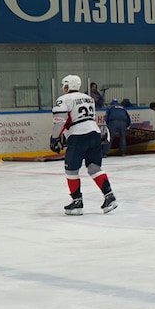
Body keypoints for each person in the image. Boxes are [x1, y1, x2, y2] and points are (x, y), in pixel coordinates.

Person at [52, 74, 117, 214]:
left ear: (67, 86)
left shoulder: (64, 99)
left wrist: (54, 138)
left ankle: (77, 202)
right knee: (94, 167)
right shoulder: (88, 98)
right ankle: (109, 196)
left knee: (71, 170)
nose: (63, 88)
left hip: (78, 136)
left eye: (64, 85)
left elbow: (60, 120)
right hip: (94, 133)